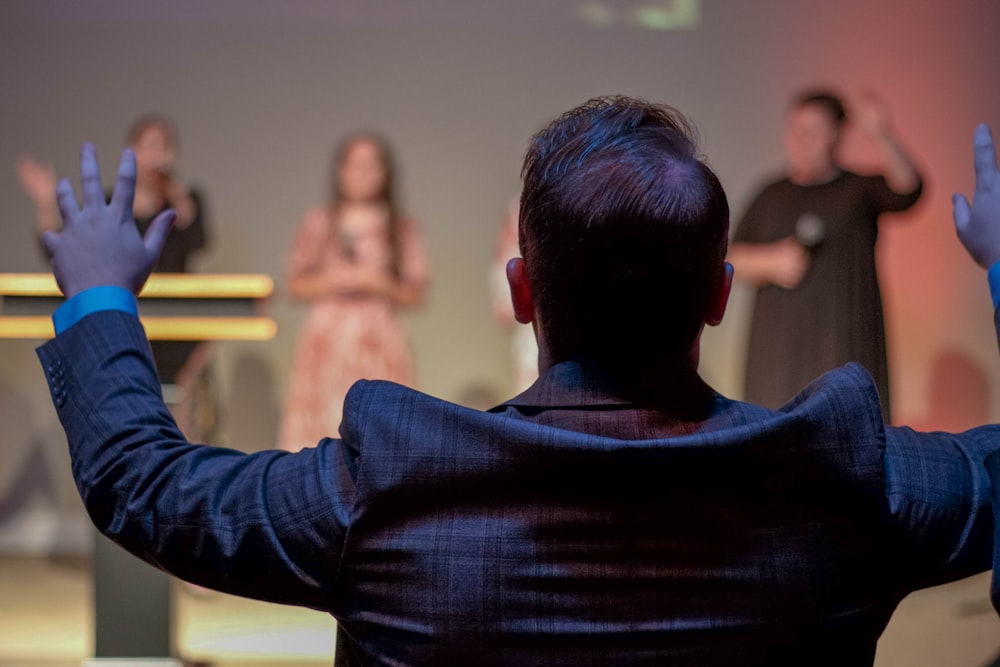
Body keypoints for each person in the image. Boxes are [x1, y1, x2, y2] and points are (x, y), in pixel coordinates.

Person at [36, 98, 1000, 665]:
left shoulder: (392, 486)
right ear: (718, 294)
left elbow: (145, 481)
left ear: (521, 289)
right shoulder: (840, 480)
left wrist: (99, 297)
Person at [728, 90, 922, 418]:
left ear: (836, 135)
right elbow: (729, 258)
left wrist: (881, 135)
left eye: (813, 132)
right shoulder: (770, 195)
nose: (802, 141)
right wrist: (770, 262)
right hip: (778, 362)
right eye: (796, 130)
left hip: (845, 354)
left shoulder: (857, 191)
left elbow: (908, 190)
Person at [18, 114, 214, 439]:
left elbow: (198, 238)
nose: (156, 154)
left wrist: (171, 187)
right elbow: (61, 249)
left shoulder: (185, 201)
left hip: (178, 332)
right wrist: (44, 203)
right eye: (148, 145)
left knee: (183, 428)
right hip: (125, 324)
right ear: (131, 151)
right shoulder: (110, 204)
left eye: (163, 146)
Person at [278, 133, 428, 452]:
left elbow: (416, 294)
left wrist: (378, 283)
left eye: (370, 165)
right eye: (355, 165)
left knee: (381, 431)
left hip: (377, 338)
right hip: (326, 339)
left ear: (385, 172)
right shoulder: (319, 223)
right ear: (341, 170)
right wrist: (331, 281)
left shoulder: (400, 227)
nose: (362, 174)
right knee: (320, 431)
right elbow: (294, 283)